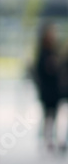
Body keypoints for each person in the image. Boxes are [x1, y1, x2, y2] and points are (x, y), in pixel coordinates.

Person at [35, 23, 62, 152]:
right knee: (47, 115)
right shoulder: (43, 52)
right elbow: (42, 70)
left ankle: (51, 139)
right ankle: (47, 140)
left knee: (53, 115)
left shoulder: (53, 50)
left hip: (54, 89)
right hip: (47, 90)